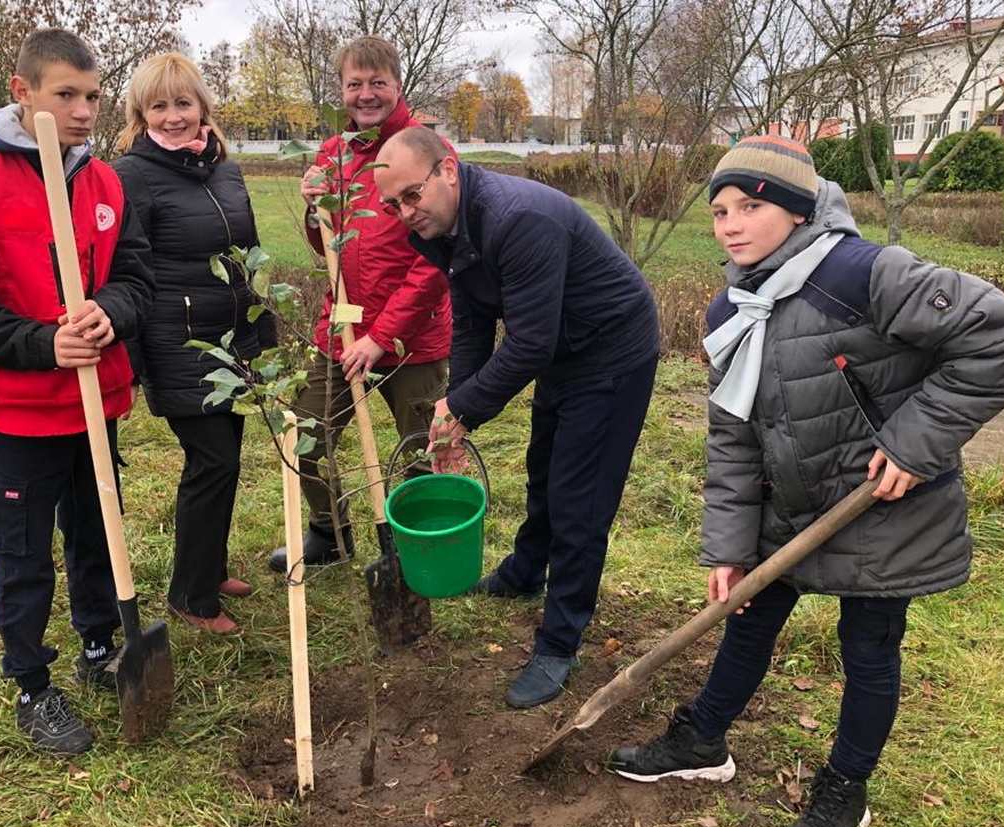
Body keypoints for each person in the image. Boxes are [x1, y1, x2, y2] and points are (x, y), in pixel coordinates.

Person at [604, 136, 1004, 827]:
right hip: (788, 505)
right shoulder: (732, 309)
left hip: (883, 501)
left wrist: (913, 444)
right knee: (747, 617)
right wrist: (730, 546)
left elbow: (1003, 336)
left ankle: (845, 791)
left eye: (750, 205)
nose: (730, 224)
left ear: (799, 211)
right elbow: (732, 438)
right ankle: (703, 741)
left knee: (868, 647)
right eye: (718, 211)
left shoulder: (864, 273)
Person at [0, 28, 155, 755]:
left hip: (97, 402)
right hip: (17, 410)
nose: (84, 111)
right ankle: (30, 683)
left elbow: (136, 279)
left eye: (93, 96)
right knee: (21, 550)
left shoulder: (105, 181)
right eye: (66, 95)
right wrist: (42, 342)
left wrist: (109, 312)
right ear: (22, 93)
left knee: (93, 527)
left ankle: (97, 646)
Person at [373, 126, 661, 709]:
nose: (405, 213)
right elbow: (475, 320)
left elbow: (528, 344)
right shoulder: (442, 227)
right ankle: (525, 571)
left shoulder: (519, 218)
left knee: (579, 500)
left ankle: (560, 640)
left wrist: (465, 404)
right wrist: (456, 413)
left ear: (447, 169)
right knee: (544, 468)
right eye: (392, 204)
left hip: (611, 352)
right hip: (564, 349)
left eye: (411, 195)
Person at [266, 36, 452, 574]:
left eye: (377, 83)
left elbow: (435, 263)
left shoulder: (426, 154)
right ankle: (330, 535)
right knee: (305, 432)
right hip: (342, 327)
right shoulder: (333, 154)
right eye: (354, 84)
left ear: (397, 85)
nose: (366, 94)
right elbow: (328, 249)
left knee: (420, 449)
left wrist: (383, 334)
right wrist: (312, 209)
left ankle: (414, 550)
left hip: (412, 337)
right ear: (341, 90)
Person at [113, 53, 274, 635]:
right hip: (176, 343)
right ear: (142, 113)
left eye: (183, 102)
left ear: (203, 107)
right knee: (214, 460)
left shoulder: (226, 170)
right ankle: (190, 597)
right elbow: (123, 270)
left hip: (232, 341)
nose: (174, 115)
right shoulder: (132, 175)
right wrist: (132, 362)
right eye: (159, 105)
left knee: (225, 456)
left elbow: (249, 254)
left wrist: (265, 336)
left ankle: (209, 569)